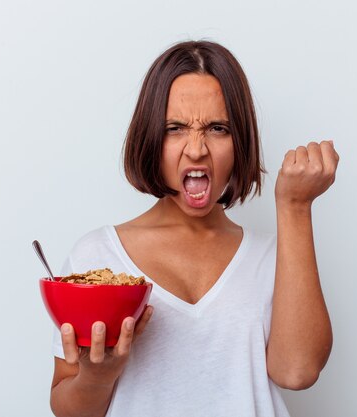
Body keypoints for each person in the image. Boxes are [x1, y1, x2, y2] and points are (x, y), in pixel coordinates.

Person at [49, 40, 339, 417]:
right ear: (150, 138)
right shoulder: (97, 258)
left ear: (240, 143)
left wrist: (296, 206)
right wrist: (96, 377)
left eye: (218, 128)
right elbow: (67, 409)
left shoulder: (275, 259)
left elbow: (297, 372)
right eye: (175, 128)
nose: (197, 148)